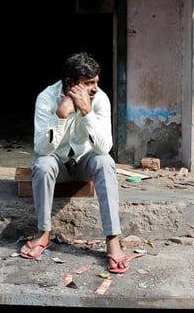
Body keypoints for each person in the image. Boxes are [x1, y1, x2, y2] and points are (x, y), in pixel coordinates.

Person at [19, 51, 140, 273]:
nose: (95, 88)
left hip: (85, 161)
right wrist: (60, 116)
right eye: (88, 83)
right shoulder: (46, 98)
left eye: (96, 82)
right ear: (70, 83)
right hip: (57, 162)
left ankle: (113, 240)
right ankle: (43, 233)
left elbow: (104, 149)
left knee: (105, 162)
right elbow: (42, 150)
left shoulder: (100, 99)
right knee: (42, 165)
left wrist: (87, 112)